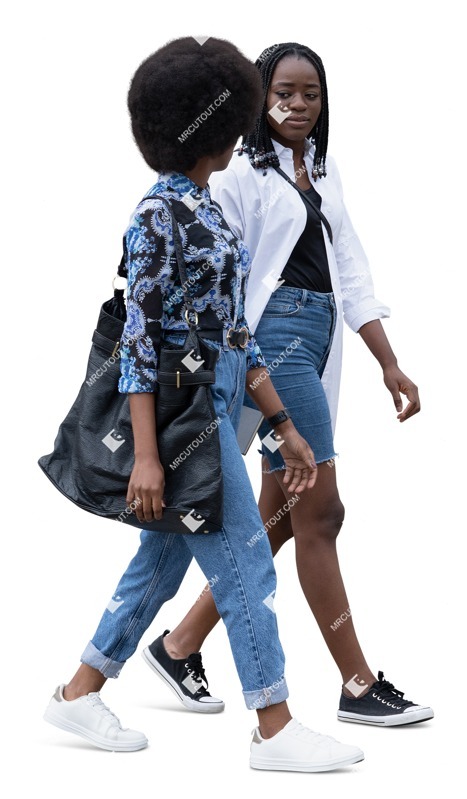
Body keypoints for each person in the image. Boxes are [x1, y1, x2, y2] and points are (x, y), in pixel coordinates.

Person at [43, 36, 365, 772]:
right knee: (248, 559)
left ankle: (78, 689)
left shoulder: (208, 212)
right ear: (204, 127)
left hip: (218, 398)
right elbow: (139, 344)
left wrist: (281, 421)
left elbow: (238, 334)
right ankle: (275, 726)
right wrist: (148, 456)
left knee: (159, 563)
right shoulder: (158, 215)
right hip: (182, 413)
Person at [142, 41, 434, 728]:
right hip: (270, 345)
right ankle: (356, 683)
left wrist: (387, 361)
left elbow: (352, 273)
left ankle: (179, 644)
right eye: (282, 91)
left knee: (273, 517)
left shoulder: (324, 174)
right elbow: (225, 280)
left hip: (319, 339)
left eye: (310, 93)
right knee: (321, 513)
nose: (296, 104)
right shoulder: (240, 174)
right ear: (256, 99)